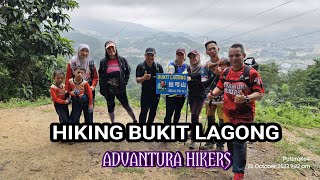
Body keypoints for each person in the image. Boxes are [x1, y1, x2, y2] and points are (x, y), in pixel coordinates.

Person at [208, 43, 264, 180]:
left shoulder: (251, 73)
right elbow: (219, 86)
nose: (234, 58)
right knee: (231, 141)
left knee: (239, 142)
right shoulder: (226, 72)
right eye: (231, 56)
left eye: (237, 55)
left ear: (243, 56)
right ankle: (233, 162)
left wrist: (246, 98)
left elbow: (260, 93)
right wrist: (213, 94)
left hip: (245, 116)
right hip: (228, 114)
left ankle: (238, 173)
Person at [99, 40, 137, 123]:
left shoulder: (122, 60)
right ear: (106, 50)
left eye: (112, 47)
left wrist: (125, 82)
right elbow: (101, 75)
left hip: (120, 88)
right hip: (108, 89)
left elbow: (128, 71)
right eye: (108, 48)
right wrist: (102, 88)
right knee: (110, 106)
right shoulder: (103, 62)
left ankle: (135, 120)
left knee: (126, 105)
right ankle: (113, 123)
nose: (111, 50)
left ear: (115, 48)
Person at [200, 40, 228, 150]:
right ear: (207, 52)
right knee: (210, 119)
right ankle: (210, 142)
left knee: (222, 122)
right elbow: (204, 84)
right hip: (210, 97)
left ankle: (220, 145)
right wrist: (214, 75)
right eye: (209, 49)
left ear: (218, 49)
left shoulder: (226, 63)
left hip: (223, 98)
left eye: (214, 48)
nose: (212, 50)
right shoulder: (205, 67)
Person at [65, 44, 98, 122]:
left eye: (87, 51)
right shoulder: (72, 62)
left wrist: (93, 86)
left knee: (89, 112)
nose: (85, 53)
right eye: (82, 50)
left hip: (88, 87)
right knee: (76, 111)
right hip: (75, 88)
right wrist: (68, 91)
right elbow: (68, 77)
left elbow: (95, 77)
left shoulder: (91, 63)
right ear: (78, 51)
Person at [136, 48, 164, 123]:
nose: (150, 57)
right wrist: (143, 78)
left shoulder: (159, 67)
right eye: (148, 55)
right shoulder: (140, 66)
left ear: (155, 56)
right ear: (145, 56)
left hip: (156, 94)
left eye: (152, 55)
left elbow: (163, 80)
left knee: (153, 112)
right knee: (143, 112)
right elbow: (138, 80)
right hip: (145, 93)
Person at [186, 50, 206, 149]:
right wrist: (192, 79)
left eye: (194, 56)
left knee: (195, 116)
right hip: (191, 95)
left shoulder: (203, 68)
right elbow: (190, 81)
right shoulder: (189, 68)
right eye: (191, 57)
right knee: (193, 115)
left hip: (200, 96)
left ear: (198, 57)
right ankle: (193, 132)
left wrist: (191, 78)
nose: (193, 59)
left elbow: (201, 79)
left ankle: (194, 139)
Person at [164, 48, 189, 124]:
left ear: (184, 56)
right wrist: (171, 73)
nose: (180, 56)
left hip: (181, 95)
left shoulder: (187, 67)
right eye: (178, 54)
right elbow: (171, 69)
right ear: (176, 56)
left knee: (177, 113)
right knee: (169, 113)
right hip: (171, 95)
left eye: (182, 54)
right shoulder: (172, 64)